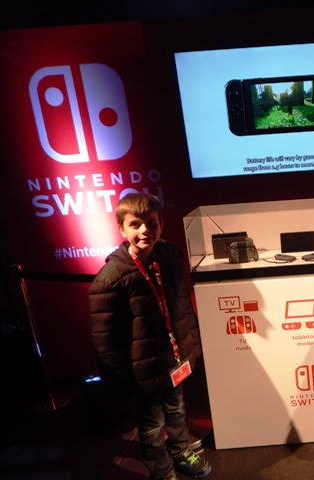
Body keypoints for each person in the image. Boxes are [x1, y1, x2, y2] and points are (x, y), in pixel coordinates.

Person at [89, 193, 211, 480]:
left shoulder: (168, 259)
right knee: (152, 422)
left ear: (161, 225)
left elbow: (183, 308)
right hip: (142, 369)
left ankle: (181, 452)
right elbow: (104, 337)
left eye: (152, 223)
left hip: (173, 357)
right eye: (135, 224)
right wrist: (121, 375)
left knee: (177, 408)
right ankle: (161, 469)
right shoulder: (111, 276)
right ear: (122, 229)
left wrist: (191, 348)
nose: (145, 230)